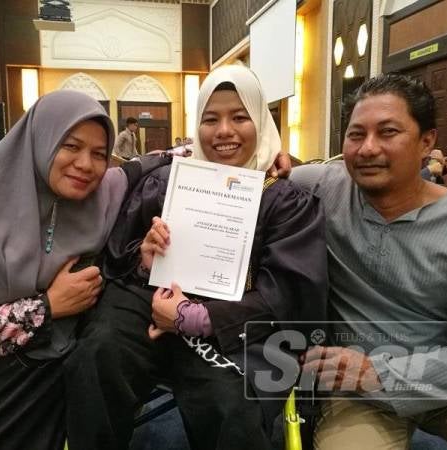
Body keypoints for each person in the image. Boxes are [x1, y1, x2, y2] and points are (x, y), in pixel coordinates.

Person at [64, 65, 328, 450]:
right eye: (210, 119)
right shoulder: (168, 181)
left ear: (261, 122)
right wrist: (144, 258)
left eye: (240, 117)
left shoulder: (283, 199)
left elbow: (289, 291)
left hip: (232, 324)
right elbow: (118, 257)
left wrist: (198, 318)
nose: (224, 131)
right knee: (96, 356)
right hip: (151, 304)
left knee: (231, 402)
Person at [0, 90, 160, 449]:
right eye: (70, 146)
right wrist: (45, 309)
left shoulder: (97, 198)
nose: (86, 164)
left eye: (99, 154)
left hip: (41, 380)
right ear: (40, 140)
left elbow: (142, 167)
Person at [289, 73, 447, 449]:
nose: (367, 148)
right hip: (356, 391)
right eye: (356, 134)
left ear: (427, 142)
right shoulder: (321, 187)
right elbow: (244, 185)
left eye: (388, 132)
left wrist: (380, 374)